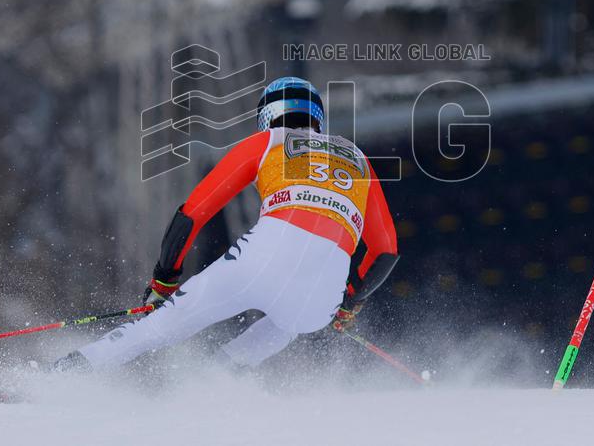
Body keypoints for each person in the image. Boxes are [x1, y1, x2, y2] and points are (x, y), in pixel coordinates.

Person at [54, 77, 399, 372]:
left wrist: (164, 280)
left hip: (266, 256)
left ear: (267, 116)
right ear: (318, 118)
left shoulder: (268, 142)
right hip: (320, 297)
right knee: (287, 324)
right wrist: (348, 303)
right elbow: (386, 251)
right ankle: (218, 380)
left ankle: (65, 373)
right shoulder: (358, 159)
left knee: (159, 328)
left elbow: (193, 213)